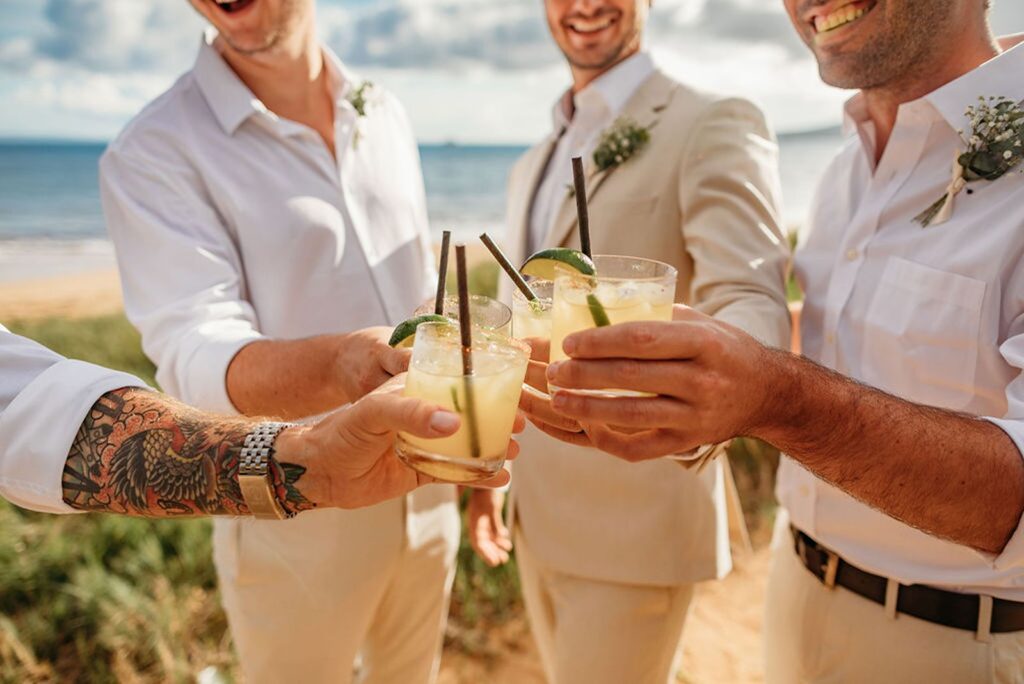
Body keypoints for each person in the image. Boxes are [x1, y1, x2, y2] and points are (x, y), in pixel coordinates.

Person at [538, 2, 1024, 681]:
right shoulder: (843, 172)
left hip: (961, 645)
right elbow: (863, 340)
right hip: (794, 596)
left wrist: (773, 395)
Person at [98, 1, 454, 681]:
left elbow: (424, 284)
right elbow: (196, 354)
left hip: (431, 487)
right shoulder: (152, 150)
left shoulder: (385, 112)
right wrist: (345, 363)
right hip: (294, 510)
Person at [469, 0, 790, 681]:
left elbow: (749, 300)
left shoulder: (711, 120)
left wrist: (710, 412)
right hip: (535, 504)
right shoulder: (535, 157)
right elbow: (517, 318)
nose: (584, 6)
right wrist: (486, 456)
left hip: (635, 514)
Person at [0, 326, 514, 517]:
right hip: (291, 540)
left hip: (421, 500)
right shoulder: (157, 143)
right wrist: (310, 456)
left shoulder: (385, 111)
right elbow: (31, 408)